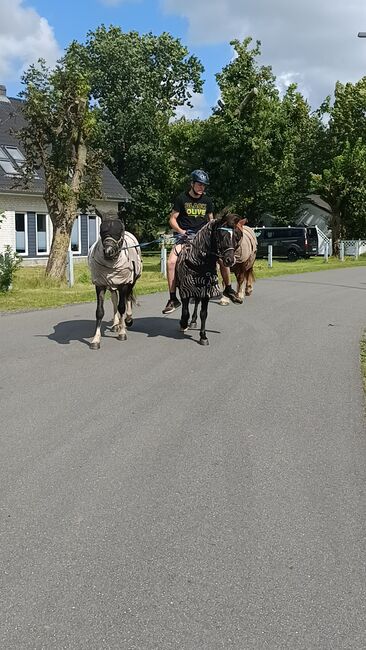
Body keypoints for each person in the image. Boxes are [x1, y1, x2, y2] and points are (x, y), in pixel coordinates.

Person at [162, 169, 239, 314]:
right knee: (171, 262)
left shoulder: (207, 200)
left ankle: (228, 288)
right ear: (192, 184)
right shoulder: (181, 199)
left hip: (204, 239)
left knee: (223, 260)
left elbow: (211, 221)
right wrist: (181, 231)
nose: (201, 188)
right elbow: (172, 219)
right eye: (199, 185)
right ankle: (173, 298)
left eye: (203, 186)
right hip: (185, 236)